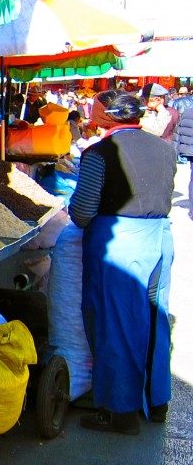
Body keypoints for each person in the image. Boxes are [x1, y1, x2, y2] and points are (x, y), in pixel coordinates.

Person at [69, 91, 176, 434]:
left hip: (120, 243)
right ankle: (157, 401)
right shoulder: (165, 148)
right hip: (160, 238)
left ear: (109, 117)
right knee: (154, 318)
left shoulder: (98, 153)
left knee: (115, 324)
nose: (90, 112)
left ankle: (120, 411)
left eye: (96, 108)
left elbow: (83, 213)